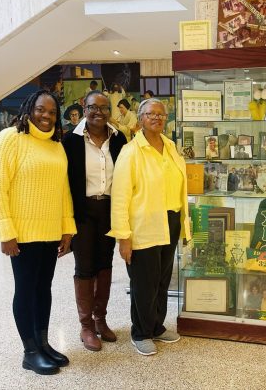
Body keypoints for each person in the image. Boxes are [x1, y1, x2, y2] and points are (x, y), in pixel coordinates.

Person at [0, 90, 77, 375]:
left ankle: (43, 342)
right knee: (25, 290)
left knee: (43, 288)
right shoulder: (9, 139)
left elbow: (63, 190)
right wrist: (5, 231)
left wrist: (67, 229)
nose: (46, 116)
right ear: (29, 109)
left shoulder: (56, 145)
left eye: (51, 111)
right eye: (40, 109)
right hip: (22, 235)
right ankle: (29, 351)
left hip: (50, 232)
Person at [107, 98, 191, 356]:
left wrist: (184, 224)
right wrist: (123, 237)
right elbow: (120, 197)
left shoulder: (170, 146)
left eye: (161, 114)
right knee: (144, 282)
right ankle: (140, 332)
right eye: (150, 114)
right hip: (143, 225)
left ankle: (156, 326)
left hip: (170, 221)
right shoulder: (131, 152)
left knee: (162, 280)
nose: (157, 118)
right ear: (140, 118)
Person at [62, 91, 126, 352]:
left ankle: (101, 320)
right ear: (83, 108)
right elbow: (64, 182)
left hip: (109, 210)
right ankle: (86, 325)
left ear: (109, 111)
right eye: (92, 107)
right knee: (85, 267)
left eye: (103, 107)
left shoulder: (119, 138)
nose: (98, 112)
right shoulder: (71, 140)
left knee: (105, 265)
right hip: (83, 212)